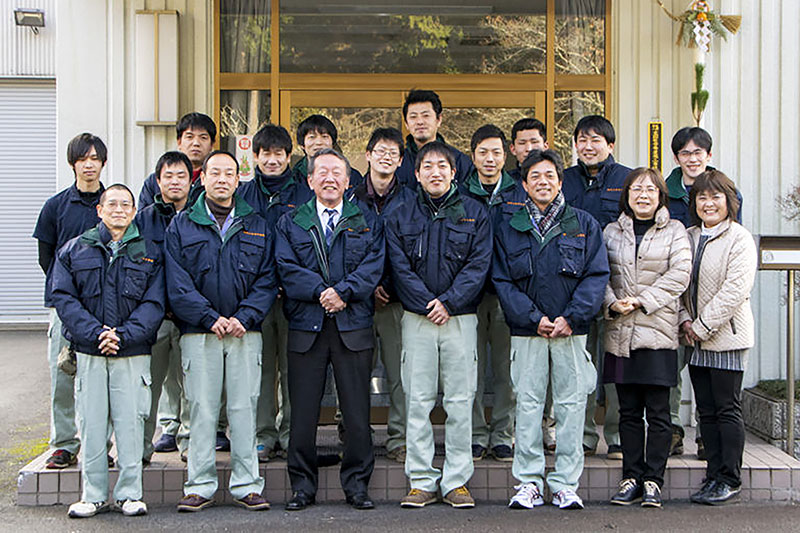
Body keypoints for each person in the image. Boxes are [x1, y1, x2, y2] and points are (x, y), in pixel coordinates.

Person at [493, 149, 608, 511]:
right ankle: (527, 481)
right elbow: (502, 279)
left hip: (570, 332)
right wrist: (532, 317)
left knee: (571, 407)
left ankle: (564, 484)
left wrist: (570, 317)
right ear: (524, 185)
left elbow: (596, 275)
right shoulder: (509, 225)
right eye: (535, 177)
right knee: (526, 405)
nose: (543, 182)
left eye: (549, 176)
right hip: (528, 332)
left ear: (560, 181)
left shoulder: (584, 223)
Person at [166, 151, 277, 512]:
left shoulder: (257, 222)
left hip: (246, 332)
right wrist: (209, 317)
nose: (222, 179)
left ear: (238, 179)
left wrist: (244, 316)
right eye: (215, 173)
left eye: (229, 173)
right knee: (201, 409)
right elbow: (177, 283)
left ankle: (247, 484)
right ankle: (199, 484)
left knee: (245, 408)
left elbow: (267, 278)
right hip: (200, 333)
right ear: (203, 178)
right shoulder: (181, 225)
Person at [276, 148, 385, 511]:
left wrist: (344, 292)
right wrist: (320, 292)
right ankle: (302, 486)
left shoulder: (366, 220)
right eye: (321, 172)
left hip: (352, 326)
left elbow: (373, 266)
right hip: (307, 326)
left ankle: (356, 485)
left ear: (348, 180)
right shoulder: (291, 222)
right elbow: (286, 267)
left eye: (337, 172)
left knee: (356, 414)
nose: (329, 178)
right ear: (309, 180)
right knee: (303, 414)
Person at [386, 141, 492, 509]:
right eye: (427, 166)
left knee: (460, 402)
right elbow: (398, 267)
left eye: (442, 166)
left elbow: (478, 267)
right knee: (418, 400)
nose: (435, 172)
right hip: (416, 319)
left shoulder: (475, 214)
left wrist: (448, 301)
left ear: (453, 173)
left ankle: (456, 481)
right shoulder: (399, 214)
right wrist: (428, 304)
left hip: (460, 319)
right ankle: (421, 480)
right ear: (416, 174)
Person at [52, 184, 165, 518]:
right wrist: (96, 333)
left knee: (131, 422)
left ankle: (130, 494)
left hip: (132, 352)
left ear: (134, 212)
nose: (119, 209)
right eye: (111, 204)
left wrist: (124, 335)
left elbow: (155, 302)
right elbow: (63, 297)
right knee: (91, 422)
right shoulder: (75, 250)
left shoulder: (150, 251)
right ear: (99, 210)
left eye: (126, 205)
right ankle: (94, 494)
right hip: (90, 351)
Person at [602, 168, 691, 508]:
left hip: (658, 333)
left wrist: (641, 301)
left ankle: (653, 480)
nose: (642, 195)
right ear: (626, 195)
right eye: (636, 189)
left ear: (660, 196)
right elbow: (601, 273)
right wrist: (612, 302)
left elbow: (680, 274)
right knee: (627, 411)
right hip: (620, 333)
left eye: (650, 190)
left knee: (658, 413)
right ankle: (630, 476)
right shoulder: (611, 232)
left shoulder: (675, 230)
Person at [665, 126, 743, 457]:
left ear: (708, 156)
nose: (692, 158)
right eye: (685, 153)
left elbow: (734, 249)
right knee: (674, 367)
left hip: (716, 310)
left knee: (716, 391)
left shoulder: (723, 189)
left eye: (698, 152)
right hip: (676, 298)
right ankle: (673, 430)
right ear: (676, 157)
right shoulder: (665, 191)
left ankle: (706, 439)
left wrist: (704, 321)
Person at [238, 124, 313, 463]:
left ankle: (291, 433)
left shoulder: (303, 194)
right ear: (255, 156)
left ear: (288, 157)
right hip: (255, 299)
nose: (272, 160)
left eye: (278, 154)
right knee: (262, 369)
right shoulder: (243, 196)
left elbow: (311, 245)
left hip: (295, 298)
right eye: (265, 154)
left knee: (294, 369)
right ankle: (263, 434)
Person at [681, 170, 756, 506]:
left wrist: (702, 326)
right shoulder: (689, 236)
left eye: (715, 197)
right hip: (693, 336)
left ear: (729, 202)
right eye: (701, 197)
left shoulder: (738, 238)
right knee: (705, 411)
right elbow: (679, 285)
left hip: (726, 336)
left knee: (726, 408)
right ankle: (713, 474)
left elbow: (734, 291)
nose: (708, 203)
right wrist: (685, 321)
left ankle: (730, 477)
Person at [33, 132, 107, 470]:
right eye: (83, 159)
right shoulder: (55, 206)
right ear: (73, 163)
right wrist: (69, 290)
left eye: (94, 158)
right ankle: (64, 443)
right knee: (63, 373)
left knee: (100, 380)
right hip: (65, 305)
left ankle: (99, 443)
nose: (89, 164)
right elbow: (45, 257)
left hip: (105, 306)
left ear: (103, 163)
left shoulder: (113, 203)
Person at [562, 115, 632, 459]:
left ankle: (616, 436)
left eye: (596, 140)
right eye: (582, 140)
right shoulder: (564, 180)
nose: (588, 146)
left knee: (614, 363)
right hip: (574, 286)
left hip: (617, 284)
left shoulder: (627, 180)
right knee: (579, 364)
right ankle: (584, 434)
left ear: (610, 145)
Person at [348, 127, 415, 463]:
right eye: (380, 151)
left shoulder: (411, 200)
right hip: (357, 301)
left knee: (399, 373)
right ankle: (354, 435)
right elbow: (342, 248)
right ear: (368, 155)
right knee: (354, 372)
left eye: (393, 153)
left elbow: (412, 250)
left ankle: (399, 438)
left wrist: (387, 283)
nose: (386, 157)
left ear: (401, 161)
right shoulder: (350, 198)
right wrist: (365, 284)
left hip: (395, 300)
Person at [460, 124, 525, 462]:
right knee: (470, 369)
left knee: (505, 369)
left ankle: (502, 433)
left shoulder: (519, 191)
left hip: (506, 294)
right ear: (473, 157)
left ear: (506, 155)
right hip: (468, 296)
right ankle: (474, 433)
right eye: (483, 152)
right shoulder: (460, 192)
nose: (490, 159)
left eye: (496, 152)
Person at [135, 151, 193, 462]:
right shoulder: (143, 219)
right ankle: (141, 448)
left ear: (190, 181)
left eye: (180, 176)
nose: (174, 182)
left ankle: (188, 444)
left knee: (191, 388)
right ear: (158, 182)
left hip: (190, 318)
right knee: (149, 387)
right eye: (168, 176)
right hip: (154, 318)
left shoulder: (200, 216)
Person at [394, 90, 474, 188]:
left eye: (426, 115)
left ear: (439, 120)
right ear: (406, 124)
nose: (419, 122)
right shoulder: (397, 162)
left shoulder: (459, 161)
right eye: (413, 117)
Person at [138, 112, 216, 208]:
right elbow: (144, 218)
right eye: (189, 137)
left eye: (203, 137)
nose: (196, 143)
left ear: (212, 145)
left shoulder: (216, 180)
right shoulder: (154, 181)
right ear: (179, 142)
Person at [291, 114, 363, 191]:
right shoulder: (294, 178)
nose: (319, 142)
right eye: (312, 137)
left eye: (324, 136)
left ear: (333, 143)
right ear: (302, 145)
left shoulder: (352, 176)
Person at [508, 118, 548, 183]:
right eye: (522, 143)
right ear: (513, 149)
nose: (529, 149)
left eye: (534, 142)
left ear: (545, 146)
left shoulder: (559, 180)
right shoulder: (507, 182)